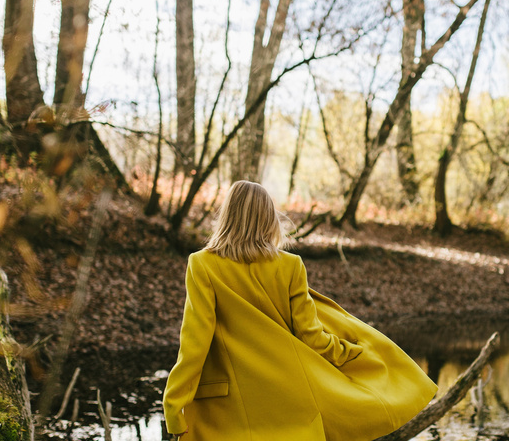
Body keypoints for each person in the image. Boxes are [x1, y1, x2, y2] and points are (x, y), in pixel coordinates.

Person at [163, 181, 437, 441]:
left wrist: (173, 409)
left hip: (228, 410)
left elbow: (194, 345)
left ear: (227, 216)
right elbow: (311, 336)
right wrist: (348, 352)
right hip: (290, 403)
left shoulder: (202, 264)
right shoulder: (290, 265)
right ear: (267, 219)